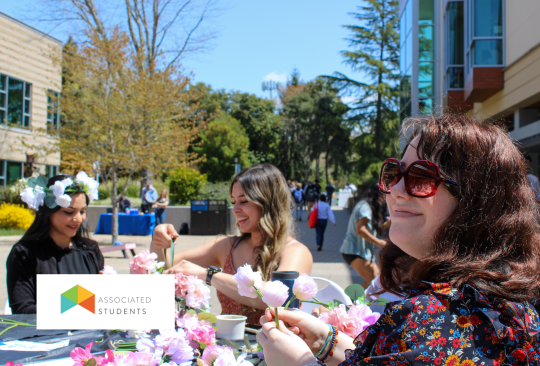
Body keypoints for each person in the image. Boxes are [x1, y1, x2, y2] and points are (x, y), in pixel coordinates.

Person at [257, 114, 540, 365]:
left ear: (477, 204)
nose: (396, 190)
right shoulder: (506, 299)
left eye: (422, 177)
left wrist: (299, 363)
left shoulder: (435, 317)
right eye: (394, 172)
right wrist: (326, 342)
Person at [150, 164, 313, 325]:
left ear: (268, 204)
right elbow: (165, 266)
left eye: (243, 201)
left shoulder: (295, 251)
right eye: (233, 201)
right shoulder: (227, 246)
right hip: (227, 347)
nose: (235, 209)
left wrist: (208, 275)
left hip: (273, 349)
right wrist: (158, 238)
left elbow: (278, 300)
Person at [7, 173, 104, 314]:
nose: (78, 219)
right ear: (48, 211)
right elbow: (23, 311)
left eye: (82, 211)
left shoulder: (90, 250)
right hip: (46, 336)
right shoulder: (24, 253)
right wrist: (85, 297)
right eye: (69, 212)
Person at [339, 184, 387, 287]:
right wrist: (379, 242)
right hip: (354, 251)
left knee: (377, 282)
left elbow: (374, 232)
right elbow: (360, 230)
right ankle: (348, 300)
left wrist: (387, 224)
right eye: (383, 197)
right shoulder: (364, 207)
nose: (384, 200)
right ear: (375, 195)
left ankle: (352, 300)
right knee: (376, 283)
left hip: (361, 252)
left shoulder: (367, 206)